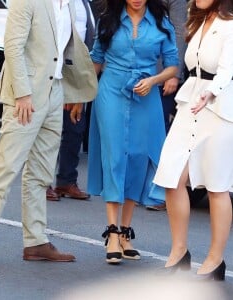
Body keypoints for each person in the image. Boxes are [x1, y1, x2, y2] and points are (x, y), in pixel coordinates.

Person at [0, 0, 97, 265]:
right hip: (26, 94)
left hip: (55, 92)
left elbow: (70, 50)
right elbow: (13, 47)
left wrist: (73, 92)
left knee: (41, 172)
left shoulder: (72, 5)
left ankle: (36, 241)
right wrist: (23, 93)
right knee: (6, 169)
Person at [153, 0, 233, 280]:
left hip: (223, 107)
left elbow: (226, 70)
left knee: (216, 185)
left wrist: (211, 92)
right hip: (191, 101)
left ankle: (215, 261)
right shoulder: (197, 22)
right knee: (172, 176)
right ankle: (178, 252)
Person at [87, 0, 179, 264]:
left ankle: (126, 230)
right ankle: (113, 232)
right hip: (111, 92)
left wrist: (154, 79)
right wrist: (80, 96)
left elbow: (173, 65)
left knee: (138, 158)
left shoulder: (162, 23)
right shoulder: (109, 19)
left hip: (146, 95)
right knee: (115, 156)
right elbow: (96, 59)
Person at [46, 0, 96, 201]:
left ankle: (66, 181)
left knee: (75, 128)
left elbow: (90, 36)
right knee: (49, 131)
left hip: (78, 72)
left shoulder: (87, 3)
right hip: (55, 70)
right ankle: (42, 182)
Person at [146, 0, 188, 211]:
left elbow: (180, 32)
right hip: (141, 70)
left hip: (163, 74)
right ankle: (139, 190)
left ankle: (156, 193)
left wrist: (175, 73)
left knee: (157, 133)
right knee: (141, 132)